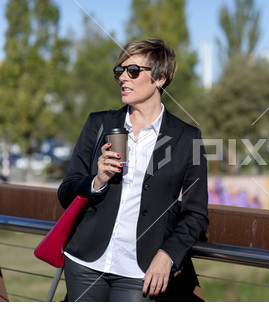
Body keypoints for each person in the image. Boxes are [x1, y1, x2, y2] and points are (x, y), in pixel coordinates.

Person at [58, 38, 208, 302]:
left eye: (133, 71)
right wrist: (97, 180)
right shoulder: (99, 124)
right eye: (120, 71)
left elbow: (196, 214)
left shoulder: (188, 138)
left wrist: (167, 255)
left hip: (141, 272)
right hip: (85, 264)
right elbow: (66, 191)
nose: (123, 78)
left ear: (160, 78)